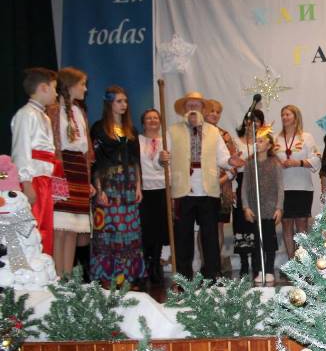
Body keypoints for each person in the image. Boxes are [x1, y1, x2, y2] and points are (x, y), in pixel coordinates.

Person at [166, 91, 244, 279]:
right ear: (185, 108)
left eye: (197, 105)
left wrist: (230, 161)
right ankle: (184, 279)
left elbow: (223, 158)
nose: (193, 108)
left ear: (202, 109)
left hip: (208, 189)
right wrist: (161, 160)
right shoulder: (172, 131)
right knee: (183, 236)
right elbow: (163, 160)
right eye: (190, 105)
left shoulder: (214, 132)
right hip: (183, 190)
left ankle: (212, 276)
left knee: (210, 236)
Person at [90, 86, 145, 287]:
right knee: (110, 228)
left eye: (125, 101)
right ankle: (108, 277)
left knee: (129, 229)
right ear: (109, 103)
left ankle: (129, 276)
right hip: (109, 183)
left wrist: (138, 186)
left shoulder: (131, 130)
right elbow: (96, 162)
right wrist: (99, 189)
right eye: (119, 101)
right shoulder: (99, 129)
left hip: (128, 184)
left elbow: (136, 160)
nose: (124, 105)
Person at [45, 67, 94, 276]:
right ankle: (57, 276)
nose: (85, 89)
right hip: (62, 167)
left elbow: (86, 149)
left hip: (79, 170)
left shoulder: (79, 112)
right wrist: (55, 172)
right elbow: (52, 144)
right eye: (82, 84)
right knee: (60, 227)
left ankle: (67, 277)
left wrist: (88, 179)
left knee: (73, 228)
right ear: (70, 85)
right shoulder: (53, 110)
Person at [11, 68, 60, 256]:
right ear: (43, 88)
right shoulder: (26, 114)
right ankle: (26, 267)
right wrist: (26, 182)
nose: (56, 93)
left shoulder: (44, 117)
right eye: (54, 88)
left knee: (45, 229)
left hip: (45, 181)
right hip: (34, 181)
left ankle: (43, 267)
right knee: (30, 229)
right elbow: (20, 151)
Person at [274, 104, 321, 259]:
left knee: (302, 224)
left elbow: (316, 159)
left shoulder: (306, 137)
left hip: (302, 187)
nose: (284, 117)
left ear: (296, 117)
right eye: (283, 115)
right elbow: (270, 161)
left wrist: (298, 163)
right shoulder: (276, 139)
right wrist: (277, 164)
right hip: (283, 188)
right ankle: (291, 261)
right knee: (286, 224)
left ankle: (303, 262)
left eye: (288, 114)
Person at [242, 125, 283, 284]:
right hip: (254, 209)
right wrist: (246, 207)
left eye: (261, 141)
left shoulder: (275, 163)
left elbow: (280, 186)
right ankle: (259, 270)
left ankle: (270, 269)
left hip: (270, 209)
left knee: (269, 241)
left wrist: (279, 207)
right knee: (257, 242)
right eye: (256, 141)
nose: (257, 144)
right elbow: (245, 186)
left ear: (269, 145)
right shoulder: (249, 164)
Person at [204, 99, 238, 272]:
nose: (215, 115)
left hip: (222, 188)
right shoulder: (197, 132)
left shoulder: (225, 136)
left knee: (218, 226)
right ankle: (205, 264)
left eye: (218, 112)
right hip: (201, 188)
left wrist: (222, 181)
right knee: (204, 226)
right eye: (212, 111)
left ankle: (215, 263)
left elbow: (234, 164)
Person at [138, 109, 170, 285]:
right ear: (143, 122)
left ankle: (156, 264)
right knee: (145, 228)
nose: (152, 120)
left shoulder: (166, 140)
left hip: (162, 187)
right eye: (148, 118)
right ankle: (145, 263)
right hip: (143, 188)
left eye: (155, 118)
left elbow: (169, 164)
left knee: (159, 229)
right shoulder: (138, 141)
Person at [233, 109, 265, 275]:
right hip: (241, 183)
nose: (252, 123)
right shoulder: (236, 142)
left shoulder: (263, 142)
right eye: (250, 120)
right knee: (241, 223)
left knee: (257, 224)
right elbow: (232, 164)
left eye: (257, 120)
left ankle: (257, 262)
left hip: (260, 184)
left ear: (261, 124)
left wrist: (246, 163)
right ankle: (244, 263)